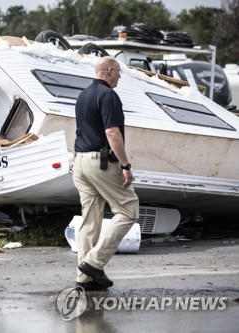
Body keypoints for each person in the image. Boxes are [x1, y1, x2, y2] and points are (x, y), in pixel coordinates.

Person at [72, 56, 139, 291]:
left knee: (90, 220)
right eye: (119, 72)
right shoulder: (108, 95)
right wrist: (125, 165)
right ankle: (93, 263)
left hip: (79, 162)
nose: (120, 76)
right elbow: (112, 133)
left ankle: (84, 277)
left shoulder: (83, 95)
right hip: (100, 163)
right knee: (128, 210)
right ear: (109, 71)